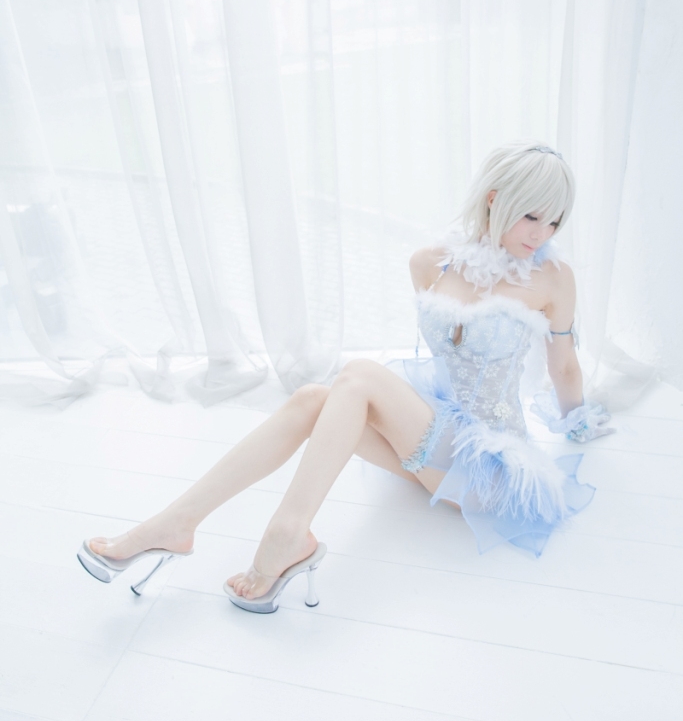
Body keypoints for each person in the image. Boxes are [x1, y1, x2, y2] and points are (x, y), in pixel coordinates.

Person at [77, 142, 612, 611]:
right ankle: (176, 523)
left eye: (555, 222)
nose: (542, 233)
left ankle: (287, 533)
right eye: (532, 216)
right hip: (435, 441)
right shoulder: (430, 263)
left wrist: (579, 421)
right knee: (313, 398)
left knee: (356, 376)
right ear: (495, 199)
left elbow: (563, 365)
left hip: (488, 468)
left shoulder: (553, 278)